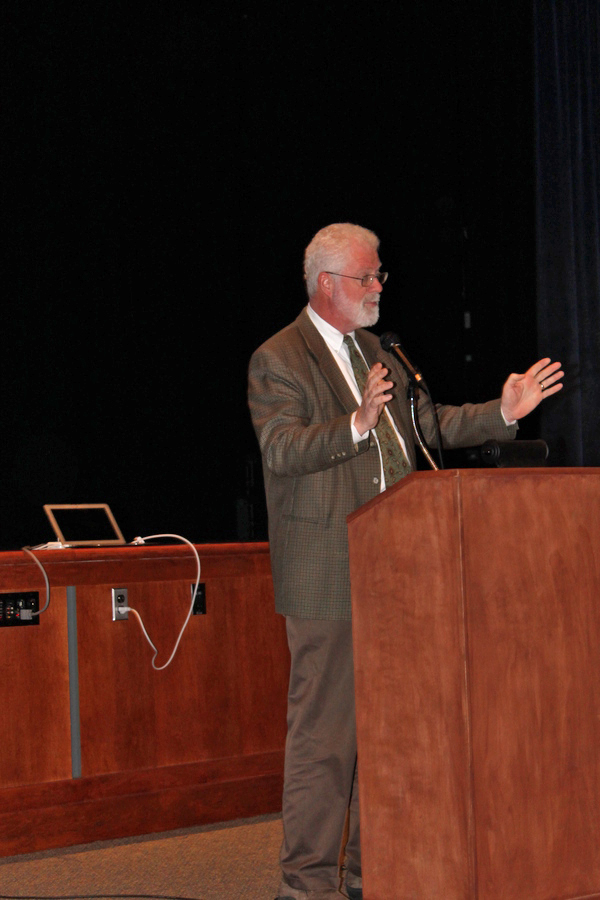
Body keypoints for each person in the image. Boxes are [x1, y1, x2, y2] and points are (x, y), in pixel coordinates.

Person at [247, 223, 563, 900]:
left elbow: (426, 427)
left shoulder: (377, 352)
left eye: (379, 275)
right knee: (325, 742)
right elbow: (282, 449)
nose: (378, 287)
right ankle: (305, 886)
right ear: (328, 284)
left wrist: (501, 414)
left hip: (394, 570)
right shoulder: (279, 358)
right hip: (327, 575)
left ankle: (372, 871)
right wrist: (356, 425)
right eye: (367, 277)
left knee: (387, 736)